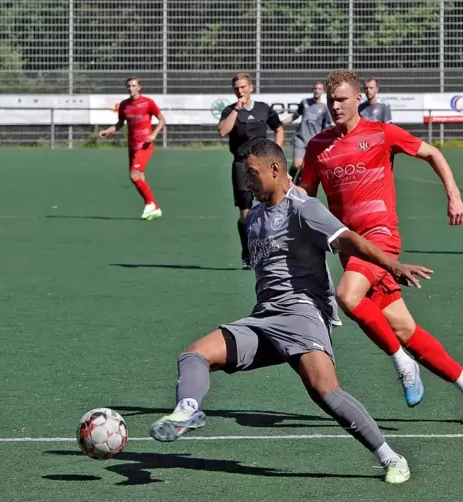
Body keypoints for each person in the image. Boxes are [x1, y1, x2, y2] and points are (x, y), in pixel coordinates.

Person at [149, 138, 421, 484]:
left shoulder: (303, 207)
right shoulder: (256, 217)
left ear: (275, 169)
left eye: (252, 173)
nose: (247, 182)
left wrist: (391, 264)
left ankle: (391, 457)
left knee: (325, 392)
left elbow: (348, 238)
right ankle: (186, 411)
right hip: (265, 317)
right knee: (194, 355)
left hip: (302, 315)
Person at [299, 70, 463, 424]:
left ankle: (403, 364)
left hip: (382, 235)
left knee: (349, 297)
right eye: (331, 99)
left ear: (358, 99)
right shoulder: (318, 146)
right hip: (350, 247)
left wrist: (454, 195)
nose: (335, 105)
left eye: (342, 99)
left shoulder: (381, 133)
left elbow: (432, 153)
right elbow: (306, 196)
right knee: (404, 329)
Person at [217, 73, 285, 269]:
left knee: (272, 206)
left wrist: (276, 151)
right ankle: (248, 252)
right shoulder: (231, 110)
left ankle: (272, 250)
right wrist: (236, 110)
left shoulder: (264, 109)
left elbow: (278, 128)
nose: (240, 91)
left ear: (251, 87)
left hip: (264, 165)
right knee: (245, 214)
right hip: (241, 165)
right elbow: (222, 131)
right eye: (237, 88)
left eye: (243, 87)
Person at [99, 77, 166, 220]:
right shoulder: (124, 105)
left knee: (134, 175)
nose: (131, 88)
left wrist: (154, 134)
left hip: (145, 145)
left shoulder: (148, 103)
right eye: (128, 86)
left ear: (139, 87)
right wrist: (107, 131)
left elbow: (162, 120)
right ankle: (155, 207)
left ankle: (149, 204)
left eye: (133, 86)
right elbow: (119, 124)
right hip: (132, 146)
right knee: (139, 177)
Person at [282, 81, 333, 183]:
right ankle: (286, 181)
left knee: (305, 167)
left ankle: (297, 185)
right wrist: (280, 123)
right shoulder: (305, 103)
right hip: (301, 139)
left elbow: (329, 125)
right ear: (312, 89)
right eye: (315, 88)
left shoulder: (324, 108)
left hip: (313, 142)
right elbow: (294, 116)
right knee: (297, 164)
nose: (317, 91)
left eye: (319, 89)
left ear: (323, 91)